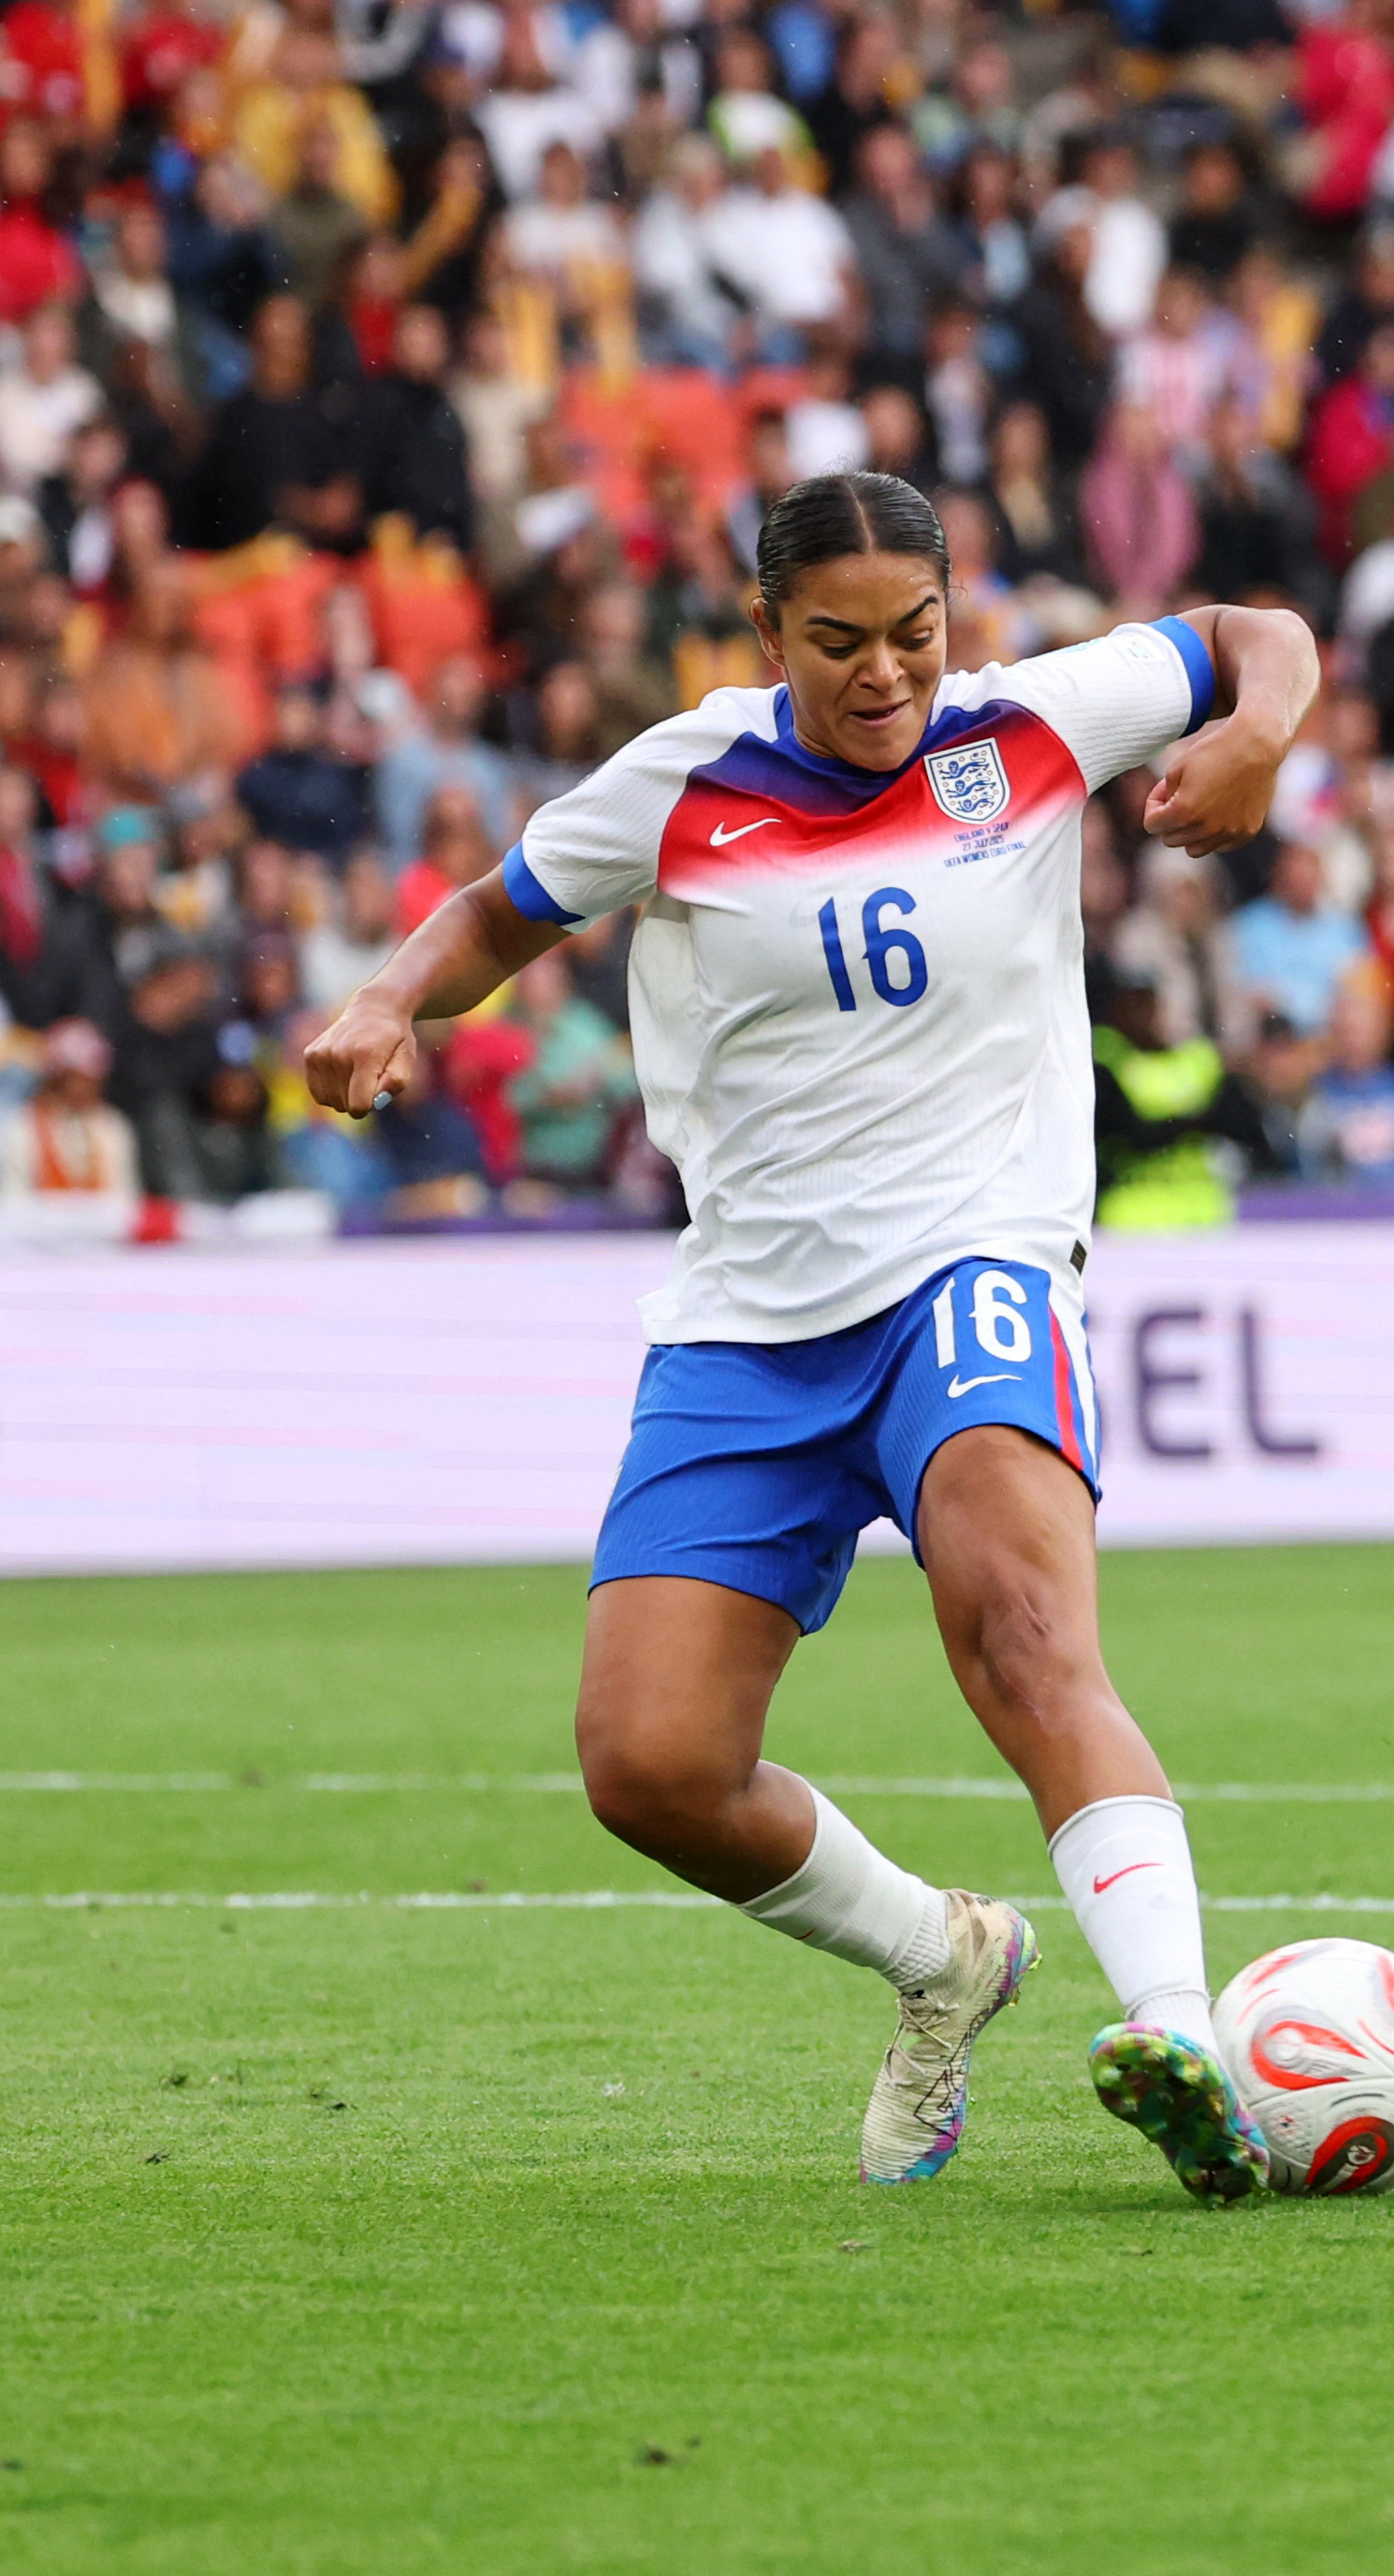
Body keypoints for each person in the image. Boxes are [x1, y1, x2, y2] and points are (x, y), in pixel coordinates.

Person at [304, 473, 1326, 2201]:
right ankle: (944, 1957)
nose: (886, 677)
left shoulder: (1029, 727)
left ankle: (1183, 2037)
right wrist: (389, 996)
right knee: (651, 1767)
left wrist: (1262, 735)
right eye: (840, 643)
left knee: (1016, 1629)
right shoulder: (685, 779)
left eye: (916, 636)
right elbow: (499, 910)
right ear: (767, 633)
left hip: (975, 1262)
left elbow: (1254, 633)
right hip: (753, 1321)